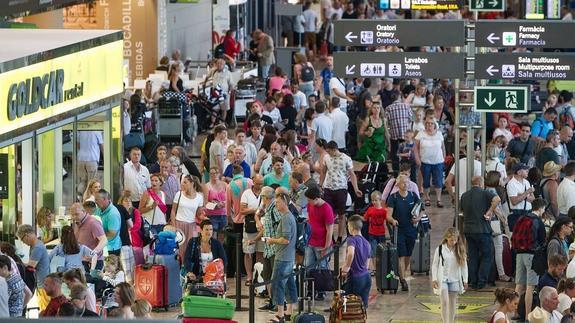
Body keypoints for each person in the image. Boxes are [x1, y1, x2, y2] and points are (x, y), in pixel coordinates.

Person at [460, 176, 500, 290]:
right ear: (481, 183)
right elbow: (497, 199)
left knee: (472, 256)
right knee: (487, 255)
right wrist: (490, 210)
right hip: (482, 230)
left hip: (468, 230)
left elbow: (462, 211)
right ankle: (482, 281)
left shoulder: (464, 195)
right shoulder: (484, 193)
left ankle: (473, 281)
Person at [264, 189, 297, 323]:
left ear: (284, 202)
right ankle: (289, 311)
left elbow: (285, 239)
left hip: (282, 257)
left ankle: (280, 314)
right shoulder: (289, 217)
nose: (276, 205)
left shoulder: (286, 218)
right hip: (288, 256)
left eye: (277, 202)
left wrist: (271, 240)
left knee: (277, 284)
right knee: (289, 284)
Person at [513, 198, 548, 320]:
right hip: (532, 256)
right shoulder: (537, 221)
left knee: (519, 285)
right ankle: (528, 316)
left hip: (519, 254)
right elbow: (543, 240)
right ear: (541, 208)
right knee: (530, 287)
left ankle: (515, 313)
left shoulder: (522, 218)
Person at [320, 141, 362, 242]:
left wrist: (356, 189)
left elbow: (352, 174)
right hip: (328, 188)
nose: (328, 153)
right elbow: (324, 171)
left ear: (335, 150)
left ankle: (339, 236)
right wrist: (320, 185)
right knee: (328, 213)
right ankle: (330, 236)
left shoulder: (346, 159)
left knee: (341, 214)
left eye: (329, 151)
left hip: (341, 188)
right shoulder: (326, 158)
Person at [386, 174, 421, 291]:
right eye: (403, 183)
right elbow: (388, 215)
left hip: (411, 229)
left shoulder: (413, 195)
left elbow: (422, 210)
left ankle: (402, 273)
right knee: (401, 254)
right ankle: (402, 279)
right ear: (398, 184)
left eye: (407, 182)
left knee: (408, 255)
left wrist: (418, 218)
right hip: (399, 230)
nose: (406, 185)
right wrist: (393, 220)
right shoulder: (393, 198)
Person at [304, 186, 335, 300]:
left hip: (322, 244)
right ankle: (310, 289)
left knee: (322, 268)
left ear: (317, 198)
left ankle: (321, 290)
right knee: (309, 267)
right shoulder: (310, 205)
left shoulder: (327, 209)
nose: (308, 202)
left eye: (310, 200)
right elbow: (311, 219)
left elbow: (329, 230)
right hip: (311, 241)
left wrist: (326, 247)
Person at [431, 228, 468, 323]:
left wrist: (465, 280)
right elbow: (435, 265)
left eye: (455, 239)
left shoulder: (459, 249)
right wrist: (434, 279)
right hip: (442, 278)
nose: (454, 242)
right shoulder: (440, 249)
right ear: (447, 238)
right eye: (452, 240)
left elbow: (464, 266)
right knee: (445, 302)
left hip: (455, 279)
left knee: (452, 303)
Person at [341, 214, 372, 308]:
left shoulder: (352, 239)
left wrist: (346, 267)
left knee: (347, 303)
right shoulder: (367, 243)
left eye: (348, 226)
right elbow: (367, 263)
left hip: (356, 277)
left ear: (351, 227)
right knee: (363, 306)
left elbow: (351, 253)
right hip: (367, 277)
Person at [172, 175, 206, 260]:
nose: (182, 184)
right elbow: (173, 211)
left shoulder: (199, 197)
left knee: (191, 249)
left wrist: (205, 218)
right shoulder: (178, 194)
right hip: (179, 224)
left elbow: (198, 214)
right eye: (182, 182)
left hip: (192, 225)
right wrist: (174, 226)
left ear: (192, 183)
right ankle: (179, 269)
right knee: (180, 249)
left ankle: (188, 269)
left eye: (185, 182)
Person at [16, 224, 50, 311]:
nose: (23, 242)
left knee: (45, 310)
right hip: (41, 282)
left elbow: (31, 266)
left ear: (27, 235)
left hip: (43, 284)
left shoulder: (37, 248)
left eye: (22, 239)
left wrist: (16, 263)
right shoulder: (36, 244)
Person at [414, 117, 446, 208]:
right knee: (426, 181)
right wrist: (417, 158)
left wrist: (443, 158)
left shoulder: (439, 134)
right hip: (425, 161)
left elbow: (443, 147)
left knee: (438, 181)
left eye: (431, 123)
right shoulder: (421, 134)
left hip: (438, 161)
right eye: (427, 123)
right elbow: (415, 148)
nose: (429, 125)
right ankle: (427, 198)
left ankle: (439, 199)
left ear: (435, 125)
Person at [240, 174, 264, 286]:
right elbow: (242, 210)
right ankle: (249, 276)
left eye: (261, 183)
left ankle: (258, 275)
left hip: (262, 226)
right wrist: (256, 210)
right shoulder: (246, 193)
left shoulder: (264, 193)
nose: (259, 186)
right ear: (253, 182)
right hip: (249, 226)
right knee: (248, 252)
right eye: (258, 183)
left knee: (260, 252)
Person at [71, 202, 107, 272]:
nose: (74, 217)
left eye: (76, 214)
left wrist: (93, 253)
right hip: (81, 260)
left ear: (84, 211)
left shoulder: (93, 223)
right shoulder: (77, 222)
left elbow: (104, 240)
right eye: (72, 215)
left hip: (94, 262)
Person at [363, 190, 388, 271]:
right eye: (372, 200)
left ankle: (381, 267)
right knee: (373, 252)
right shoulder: (370, 209)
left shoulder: (384, 211)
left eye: (376, 200)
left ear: (380, 200)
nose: (374, 202)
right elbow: (365, 218)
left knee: (382, 251)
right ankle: (375, 269)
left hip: (381, 233)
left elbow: (387, 220)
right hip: (372, 233)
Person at [506, 163, 535, 232]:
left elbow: (533, 199)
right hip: (518, 214)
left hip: (528, 213)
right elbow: (514, 202)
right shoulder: (511, 184)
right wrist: (526, 193)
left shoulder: (526, 182)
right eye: (525, 170)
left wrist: (521, 195)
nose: (527, 171)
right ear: (519, 172)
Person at [94, 189, 122, 256]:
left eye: (97, 199)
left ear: (104, 199)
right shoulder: (98, 209)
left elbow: (112, 234)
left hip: (111, 249)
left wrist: (97, 237)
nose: (95, 202)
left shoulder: (113, 214)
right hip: (102, 246)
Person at [203, 167, 228, 239]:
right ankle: (213, 249)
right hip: (212, 214)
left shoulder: (225, 185)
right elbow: (205, 202)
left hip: (223, 214)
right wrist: (215, 205)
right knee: (213, 235)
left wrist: (223, 203)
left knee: (222, 235)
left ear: (219, 174)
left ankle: (220, 249)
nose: (214, 175)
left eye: (216, 173)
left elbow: (229, 199)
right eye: (212, 173)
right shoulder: (207, 186)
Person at [76, 130, 103, 196]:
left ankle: (80, 197)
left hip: (81, 159)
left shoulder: (80, 130)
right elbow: (101, 146)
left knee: (82, 181)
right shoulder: (96, 131)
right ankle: (88, 199)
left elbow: (78, 144)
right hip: (92, 159)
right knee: (91, 182)